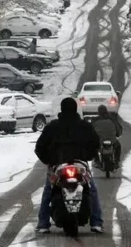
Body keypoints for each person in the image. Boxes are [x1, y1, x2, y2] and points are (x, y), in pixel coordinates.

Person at [34, 97, 104, 234]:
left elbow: (39, 147)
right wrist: (88, 156)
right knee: (91, 190)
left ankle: (43, 224)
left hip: (57, 164)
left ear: (61, 109)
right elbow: (96, 143)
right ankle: (96, 222)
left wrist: (49, 160)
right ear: (76, 109)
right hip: (80, 164)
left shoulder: (52, 127)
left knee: (49, 191)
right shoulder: (84, 126)